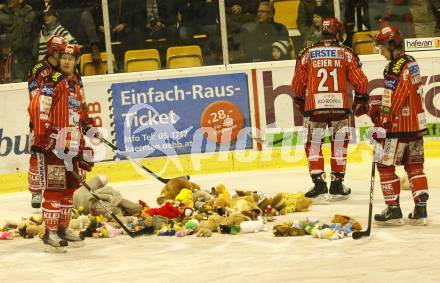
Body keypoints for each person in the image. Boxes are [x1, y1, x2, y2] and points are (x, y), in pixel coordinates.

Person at [291, 18, 369, 203]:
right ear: (338, 33)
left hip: (315, 107)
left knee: (313, 143)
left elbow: (297, 86)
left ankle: (319, 183)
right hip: (340, 107)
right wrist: (360, 99)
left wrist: (301, 102)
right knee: (339, 144)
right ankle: (337, 184)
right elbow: (362, 82)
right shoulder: (347, 53)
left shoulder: (307, 53)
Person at [371, 26, 429, 225]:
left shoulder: (394, 67)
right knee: (415, 167)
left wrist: (382, 122)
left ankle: (393, 209)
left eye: (382, 48)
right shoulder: (412, 62)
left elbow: (393, 97)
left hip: (397, 128)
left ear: (392, 45)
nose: (381, 52)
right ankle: (421, 207)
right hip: (416, 125)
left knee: (384, 165)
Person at [27, 35, 67, 209]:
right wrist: (42, 121)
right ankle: (36, 191)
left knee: (57, 157)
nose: (64, 57)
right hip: (40, 120)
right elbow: (36, 98)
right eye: (61, 53)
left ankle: (54, 192)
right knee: (37, 154)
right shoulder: (39, 69)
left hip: (59, 121)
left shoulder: (63, 71)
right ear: (53, 52)